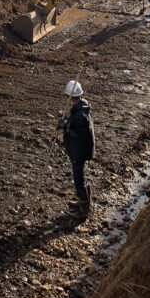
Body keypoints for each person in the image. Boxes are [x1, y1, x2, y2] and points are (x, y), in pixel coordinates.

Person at [57, 80, 95, 215]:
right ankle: (84, 199)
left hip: (80, 150)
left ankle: (84, 207)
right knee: (79, 175)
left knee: (78, 178)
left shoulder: (80, 114)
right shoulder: (81, 107)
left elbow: (78, 135)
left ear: (70, 96)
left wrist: (65, 128)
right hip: (80, 149)